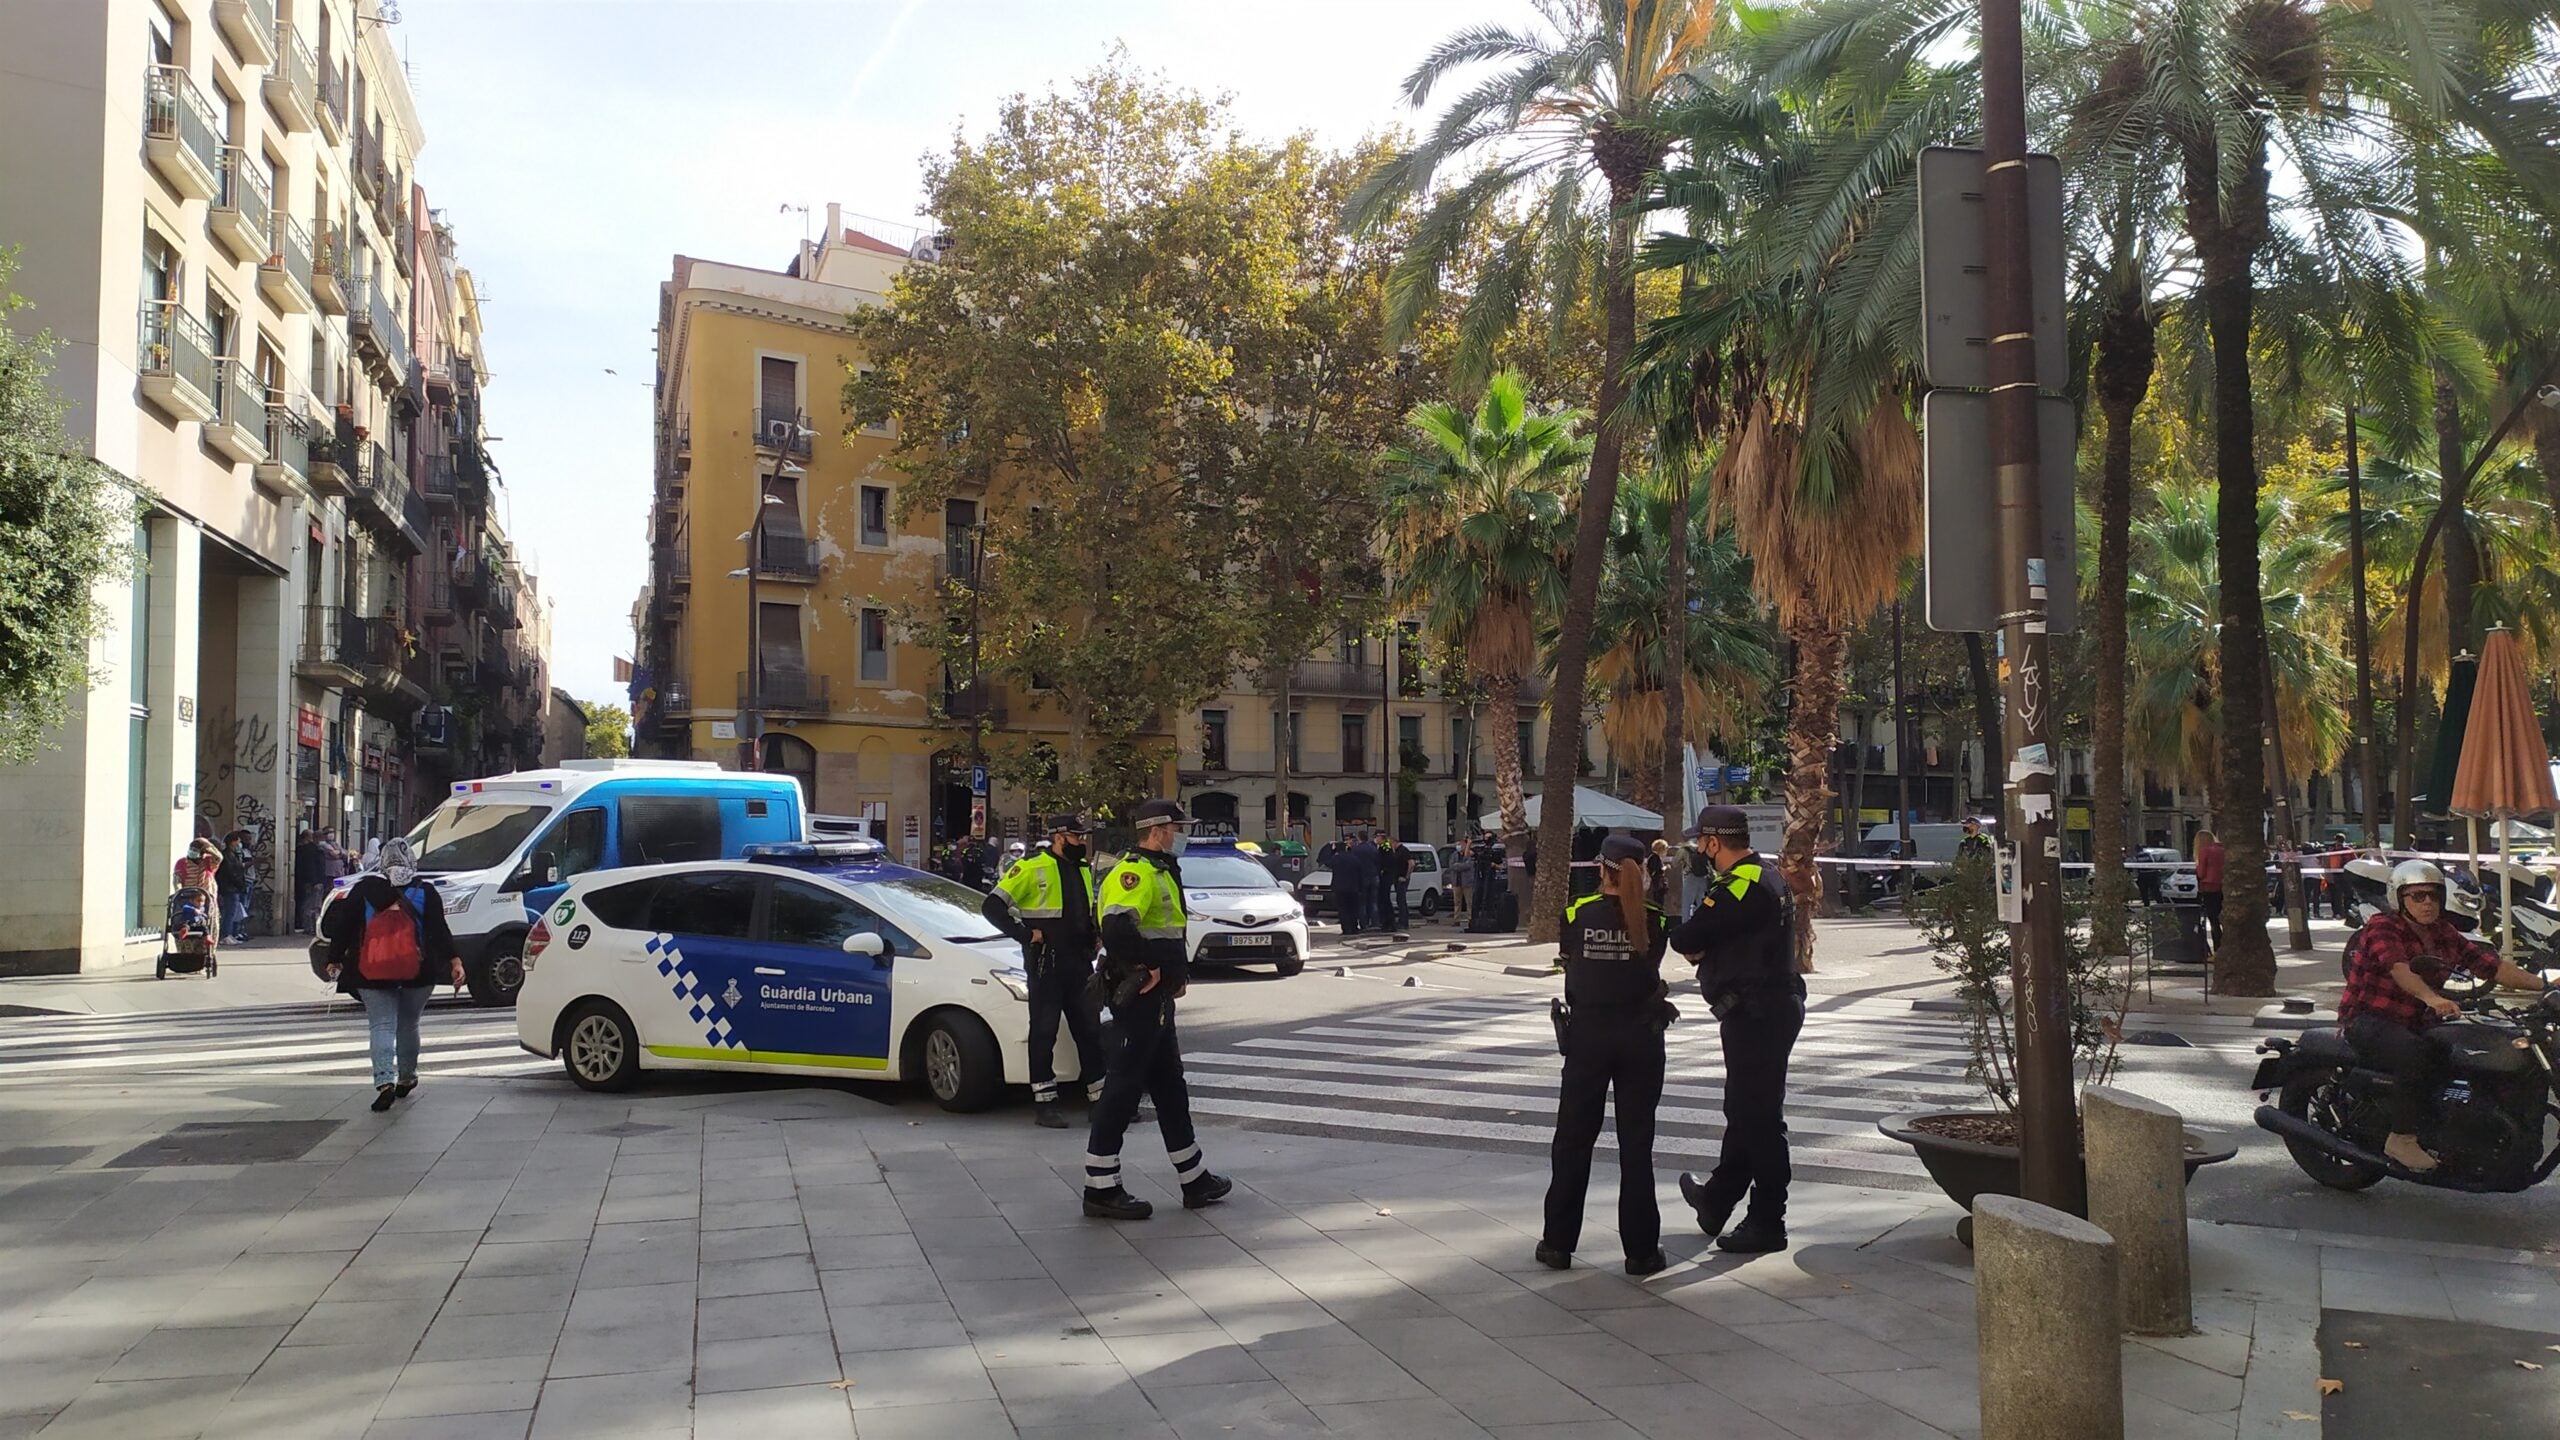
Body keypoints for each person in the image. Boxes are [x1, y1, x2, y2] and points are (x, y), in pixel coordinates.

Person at [2338, 859, 2548, 1171]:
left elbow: (2490, 966)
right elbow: (2400, 969)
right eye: (2417, 896)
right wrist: (2433, 998)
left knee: (2474, 1050)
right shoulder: (2382, 928)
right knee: (2417, 1056)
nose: (2427, 903)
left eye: (2433, 896)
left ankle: (2458, 1130)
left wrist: (2544, 985)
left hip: (2418, 1020)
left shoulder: (2442, 931)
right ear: (2399, 898)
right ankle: (2402, 1138)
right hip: (2370, 1019)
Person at [1081, 799, 1231, 1220]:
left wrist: (1169, 974)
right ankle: (1100, 1186)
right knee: (1124, 1087)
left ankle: (1193, 1177)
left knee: (1169, 1085)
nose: (1182, 834)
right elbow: (1115, 928)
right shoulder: (1135, 873)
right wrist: (1146, 967)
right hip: (1140, 996)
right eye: (1178, 827)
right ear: (1158, 829)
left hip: (1157, 996)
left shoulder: (1161, 869)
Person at [1669, 805, 1803, 1254]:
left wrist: (1696, 940)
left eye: (1700, 843)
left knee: (1760, 1119)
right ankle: (1718, 1199)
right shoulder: (1767, 874)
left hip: (1757, 1012)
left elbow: (1686, 939)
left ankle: (1768, 1219)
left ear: (1713, 842)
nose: (1697, 851)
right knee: (1744, 1110)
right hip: (1766, 1007)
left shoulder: (1738, 885)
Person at [1539, 834, 1673, 1276]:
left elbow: (1567, 961)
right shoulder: (1656, 920)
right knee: (1637, 1147)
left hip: (1588, 1039)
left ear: (1601, 870)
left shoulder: (1576, 913)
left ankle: (1558, 1244)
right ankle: (1641, 1252)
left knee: (1573, 1142)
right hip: (1641, 1037)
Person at [315, 837, 462, 1113]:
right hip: (418, 971)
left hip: (372, 970)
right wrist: (455, 961)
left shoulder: (364, 890)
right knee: (409, 1024)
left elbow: (344, 927)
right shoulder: (425, 891)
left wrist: (334, 959)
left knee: (381, 1026)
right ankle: (407, 1077)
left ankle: (384, 1082)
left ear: (382, 862)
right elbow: (439, 930)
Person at [984, 814, 1108, 1129]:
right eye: (1077, 837)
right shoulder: (1030, 868)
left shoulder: (1082, 869)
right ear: (1059, 837)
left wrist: (1094, 934)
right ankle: (1045, 1103)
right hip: (1046, 965)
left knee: (1090, 1033)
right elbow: (992, 906)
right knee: (1043, 1034)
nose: (1082, 842)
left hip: (1079, 964)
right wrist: (1026, 935)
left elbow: (1082, 910)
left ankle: (1100, 1101)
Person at [174, 838, 225, 948]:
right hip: (187, 900)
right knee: (185, 923)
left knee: (208, 925)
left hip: (207, 902)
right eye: (191, 849)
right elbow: (177, 879)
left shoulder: (208, 861)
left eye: (196, 850)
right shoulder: (182, 863)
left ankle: (207, 953)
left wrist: (207, 846)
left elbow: (219, 857)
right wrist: (179, 891)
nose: (193, 851)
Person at [1335, 832, 1377, 936]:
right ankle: (1374, 923)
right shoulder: (1373, 849)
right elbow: (1377, 862)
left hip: (1349, 884)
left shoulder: (1354, 851)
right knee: (1373, 902)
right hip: (1370, 878)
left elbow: (1325, 860)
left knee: (1358, 905)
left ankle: (1361, 924)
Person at [2194, 829, 2227, 953]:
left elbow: (2201, 873)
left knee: (2214, 921)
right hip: (2223, 886)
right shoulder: (2222, 850)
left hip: (2209, 887)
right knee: (2223, 919)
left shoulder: (2205, 851)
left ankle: (2217, 949)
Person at [217, 831, 251, 940]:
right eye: (238, 841)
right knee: (229, 912)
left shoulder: (233, 855)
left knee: (233, 912)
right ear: (233, 842)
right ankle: (226, 935)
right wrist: (240, 884)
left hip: (232, 888)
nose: (239, 844)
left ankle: (230, 934)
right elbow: (232, 873)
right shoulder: (227, 855)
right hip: (230, 888)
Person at [296, 824, 327, 934]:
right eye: (323, 837)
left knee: (316, 905)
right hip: (314, 882)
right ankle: (309, 927)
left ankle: (313, 927)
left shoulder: (319, 850)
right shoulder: (309, 850)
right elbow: (310, 867)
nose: (325, 840)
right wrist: (313, 881)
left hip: (318, 881)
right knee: (310, 905)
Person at [1381, 838, 1412, 932]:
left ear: (1394, 842)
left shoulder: (1403, 850)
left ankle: (1404, 922)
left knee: (1402, 900)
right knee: (1399, 900)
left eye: (1390, 843)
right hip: (1397, 878)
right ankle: (1401, 921)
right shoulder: (1397, 851)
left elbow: (1411, 863)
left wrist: (1406, 876)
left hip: (1402, 879)